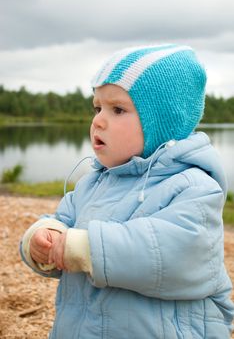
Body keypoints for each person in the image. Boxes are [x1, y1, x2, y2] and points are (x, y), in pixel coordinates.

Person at [20, 44, 234, 338]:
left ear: (161, 122)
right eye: (97, 108)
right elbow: (61, 221)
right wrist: (43, 238)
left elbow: (174, 252)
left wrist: (84, 248)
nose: (98, 120)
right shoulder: (92, 183)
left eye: (117, 109)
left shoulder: (193, 186)